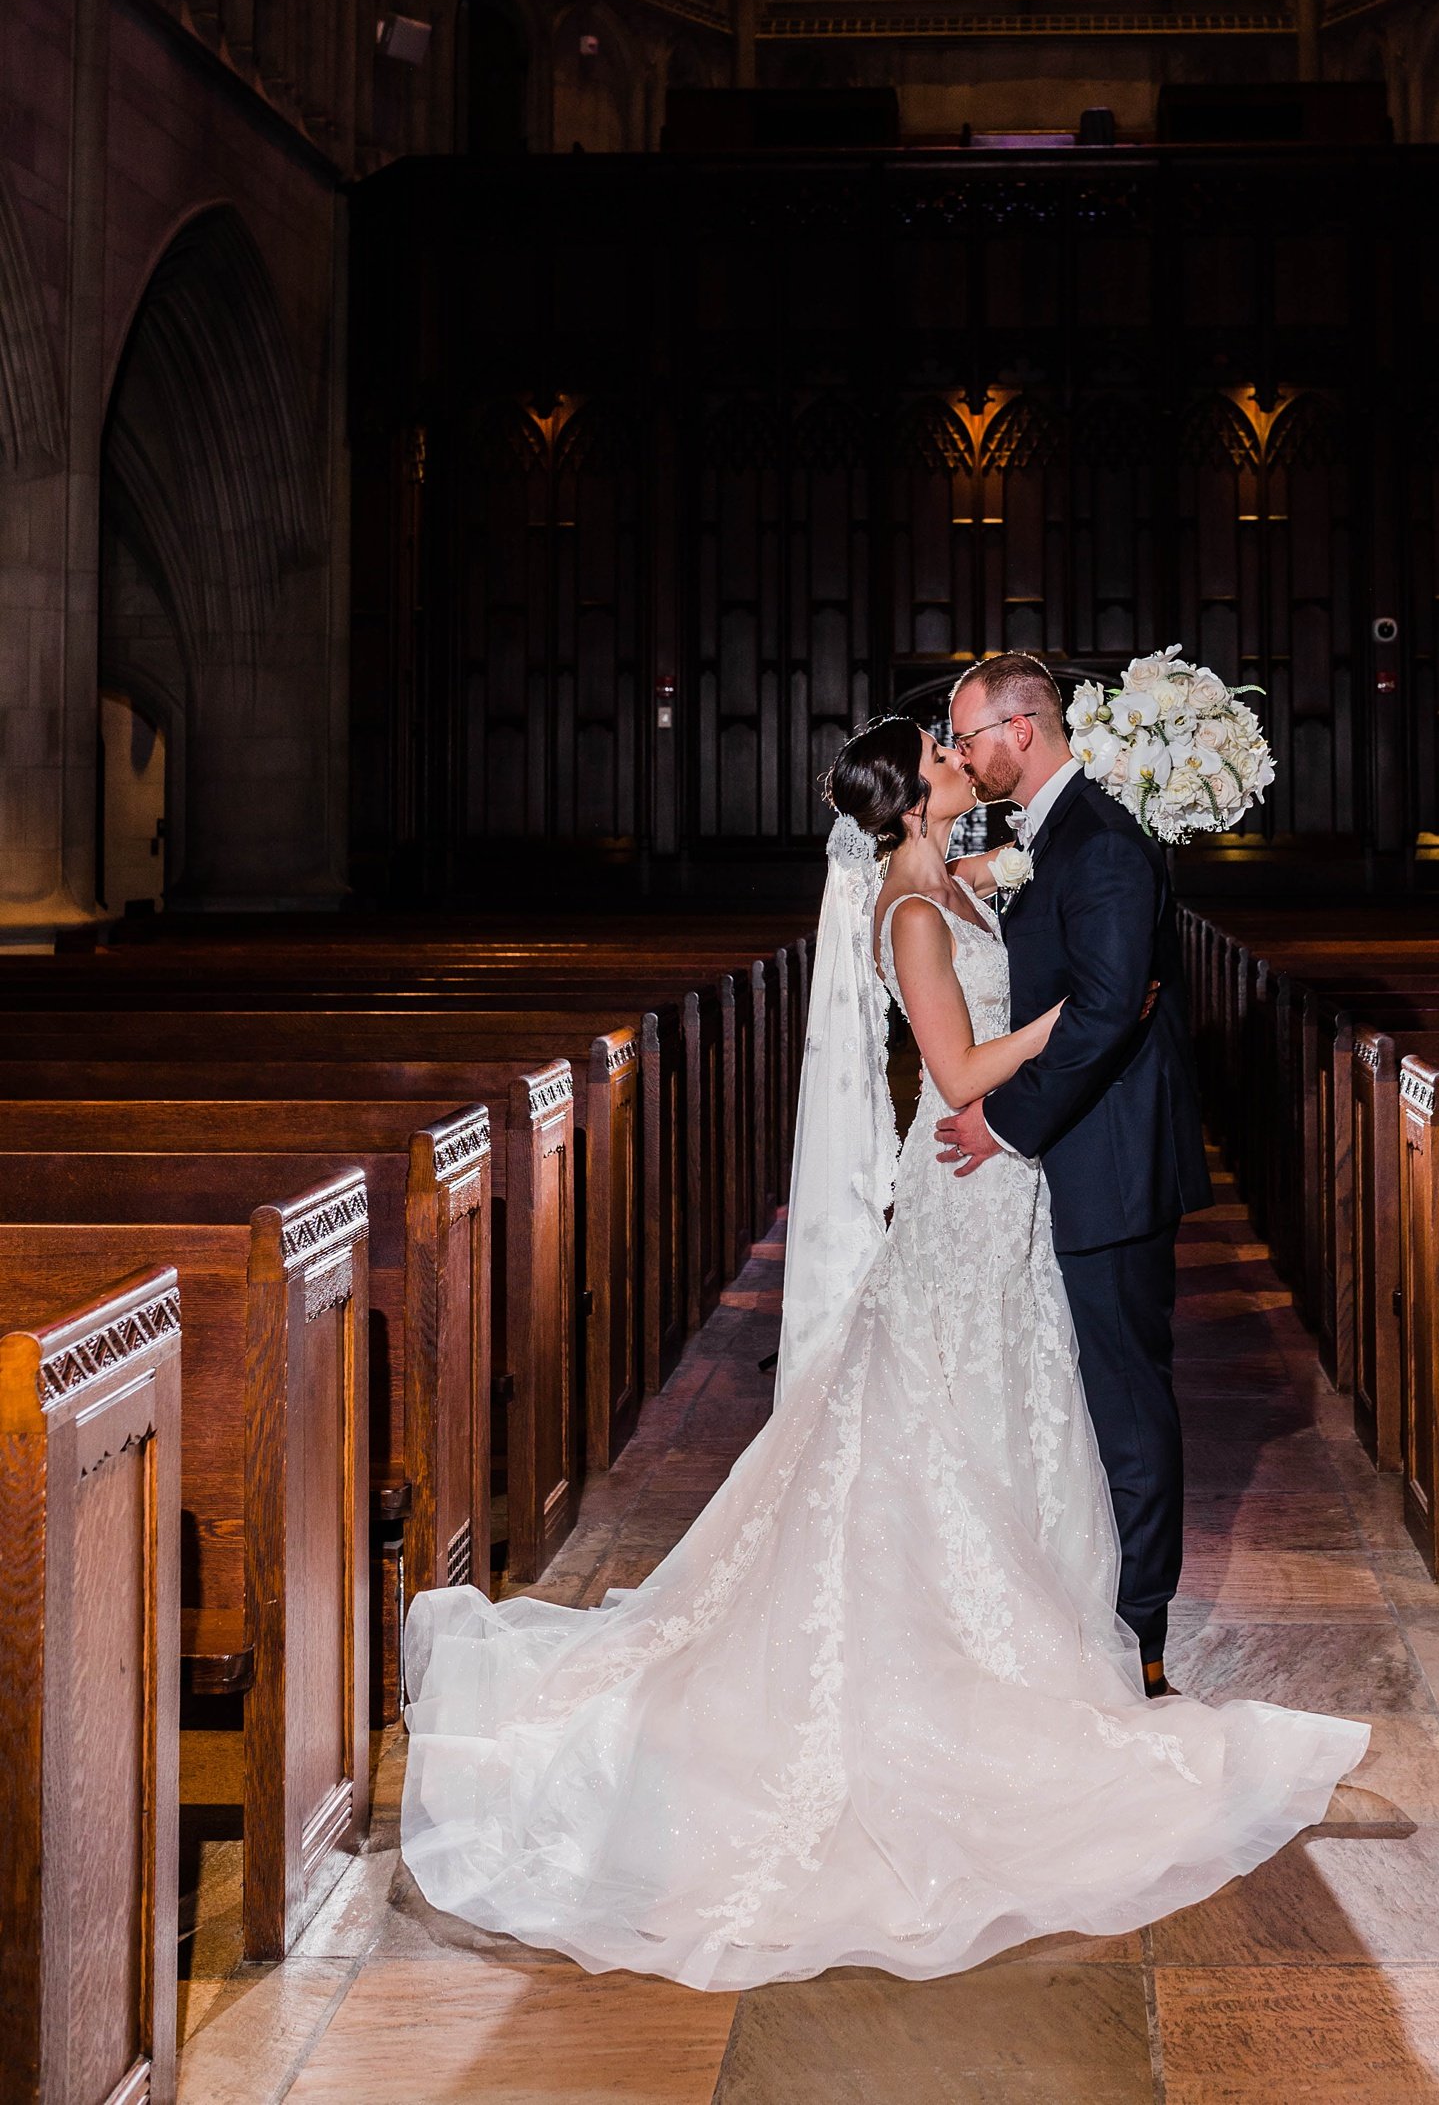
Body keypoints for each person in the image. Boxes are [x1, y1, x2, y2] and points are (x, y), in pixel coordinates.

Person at [399, 715, 1366, 1990]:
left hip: (1000, 1190)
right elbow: (958, 1068)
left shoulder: (959, 879)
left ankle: (1029, 1624)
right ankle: (949, 1666)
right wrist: (1080, 1012)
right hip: (968, 1182)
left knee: (1003, 1405)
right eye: (944, 752)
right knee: (939, 1412)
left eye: (966, 742)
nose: (963, 758)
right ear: (914, 795)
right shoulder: (912, 913)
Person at [934, 652, 1206, 1698]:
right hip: (1079, 1160)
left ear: (1020, 729)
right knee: (1085, 1397)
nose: (961, 756)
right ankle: (1086, 1611)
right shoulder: (1051, 837)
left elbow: (1104, 1010)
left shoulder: (1101, 843)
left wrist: (1004, 1123)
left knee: (1130, 1404)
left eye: (967, 736)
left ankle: (1139, 1637)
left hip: (1113, 1164)